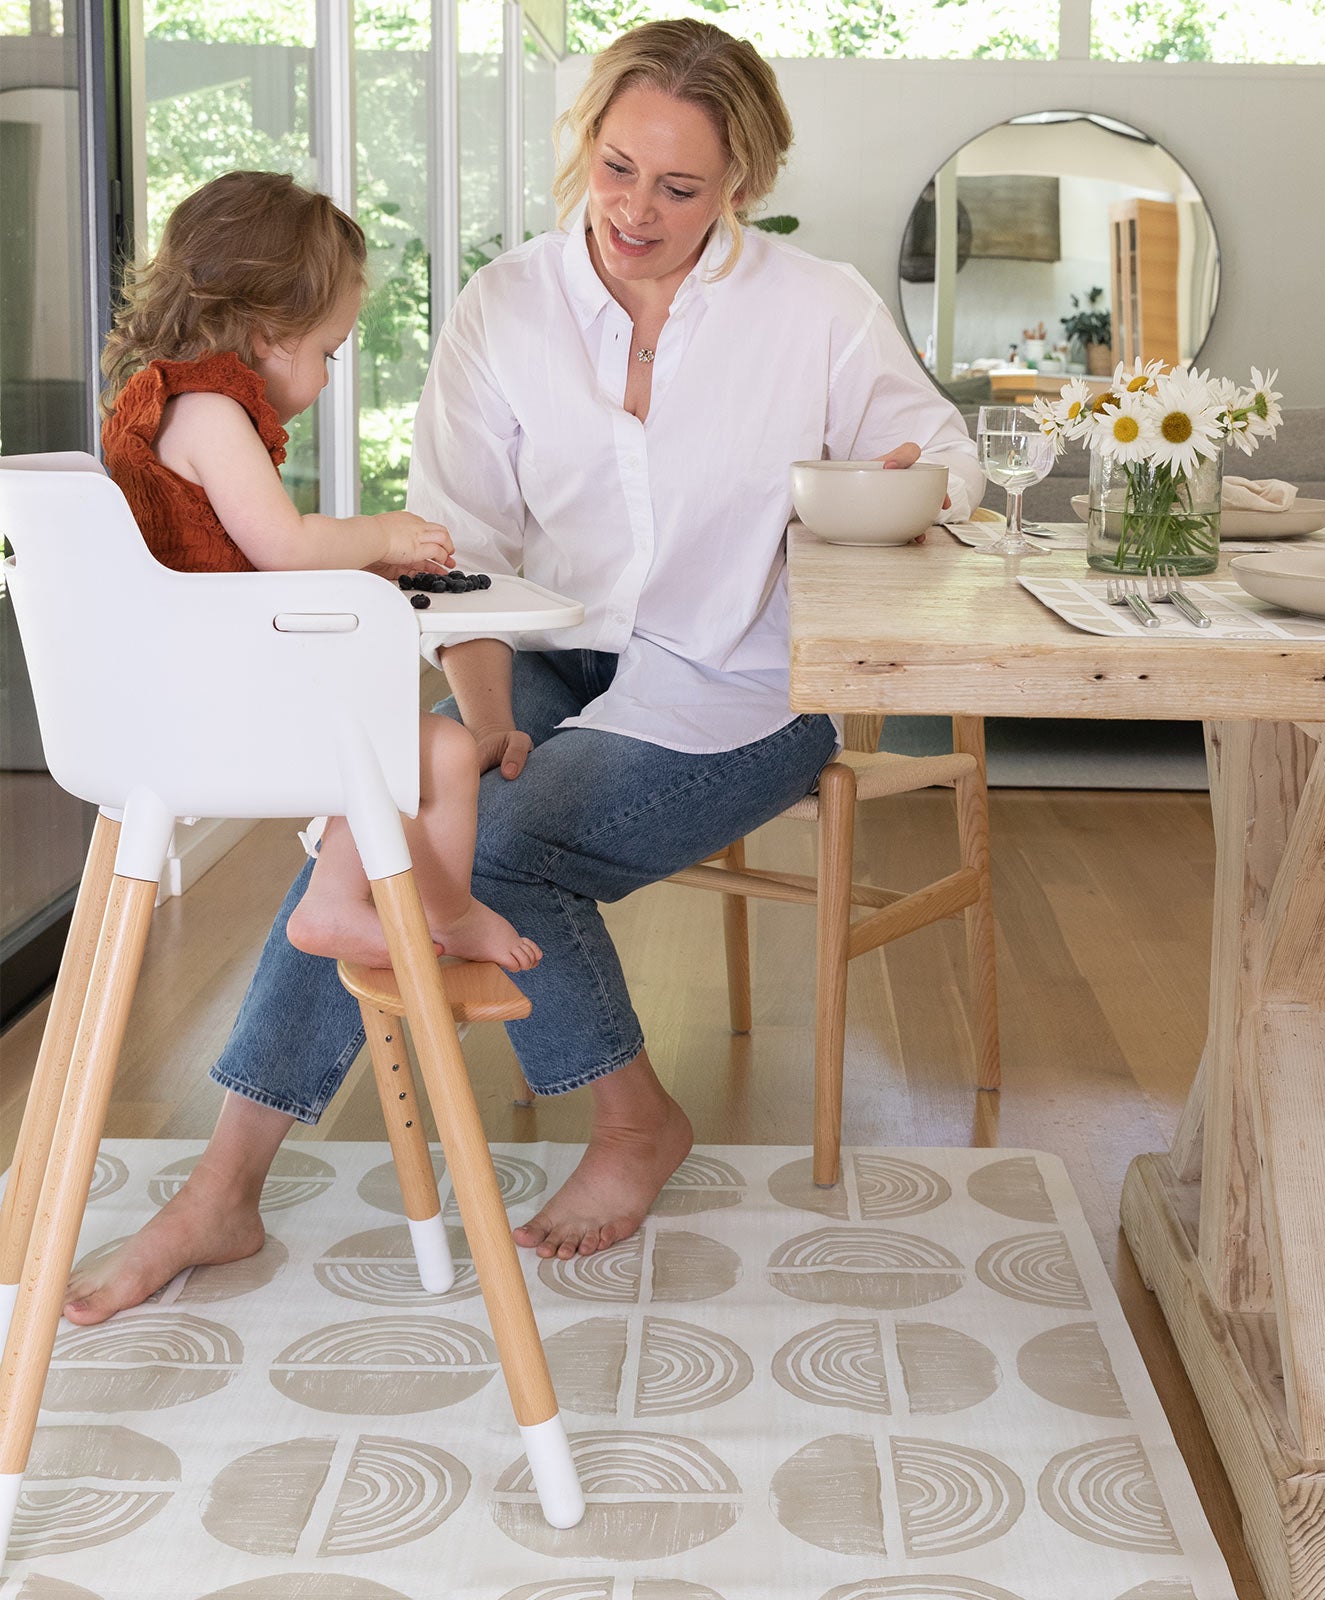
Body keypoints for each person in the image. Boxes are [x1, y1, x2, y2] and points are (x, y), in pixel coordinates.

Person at [63, 19, 982, 1326]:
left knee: (488, 845)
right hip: (540, 657)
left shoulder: (818, 310)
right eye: (617, 170)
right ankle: (224, 1190)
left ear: (741, 187)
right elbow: (466, 556)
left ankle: (636, 1123)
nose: (638, 212)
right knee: (390, 819)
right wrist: (487, 718)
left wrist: (914, 485)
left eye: (680, 187)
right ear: (584, 148)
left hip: (743, 677)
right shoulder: (507, 309)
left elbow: (945, 458)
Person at [98, 170, 541, 977]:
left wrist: (360, 557)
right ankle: (354, 904)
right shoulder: (211, 413)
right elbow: (285, 547)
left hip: (176, 700)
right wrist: (385, 532)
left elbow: (229, 549)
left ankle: (428, 909)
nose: (331, 376)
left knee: (437, 748)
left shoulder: (155, 404)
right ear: (269, 332)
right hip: (222, 711)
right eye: (329, 352)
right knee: (429, 752)